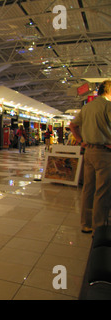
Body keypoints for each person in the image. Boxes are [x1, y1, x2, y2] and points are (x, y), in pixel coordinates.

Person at [70, 80, 111, 234]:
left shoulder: (87, 108)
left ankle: (86, 223)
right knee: (102, 191)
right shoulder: (107, 106)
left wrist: (81, 141)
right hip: (104, 153)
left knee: (88, 189)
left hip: (89, 152)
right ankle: (99, 227)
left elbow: (72, 126)